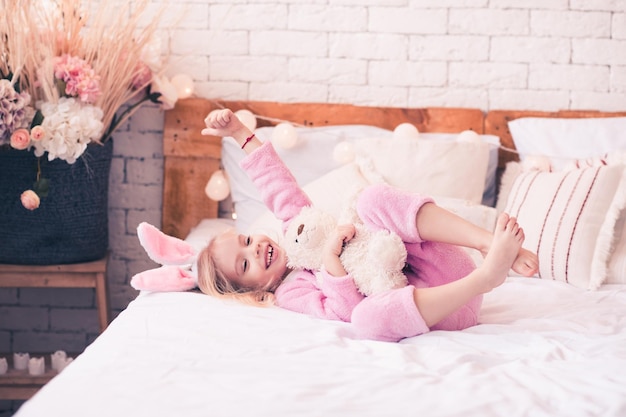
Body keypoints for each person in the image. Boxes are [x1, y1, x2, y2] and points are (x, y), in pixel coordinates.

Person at [197, 109, 539, 342]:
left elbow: (274, 180)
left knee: (371, 199)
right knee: (365, 320)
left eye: (244, 240)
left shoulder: (295, 226)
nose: (253, 248)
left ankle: (486, 243)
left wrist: (239, 132)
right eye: (245, 263)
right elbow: (344, 311)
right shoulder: (289, 293)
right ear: (254, 292)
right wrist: (332, 261)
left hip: (442, 265)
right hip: (441, 308)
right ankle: (487, 277)